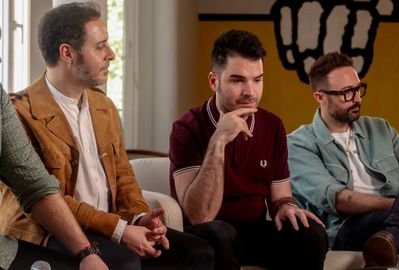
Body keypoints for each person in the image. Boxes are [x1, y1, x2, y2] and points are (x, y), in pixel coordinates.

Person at [0, 2, 213, 270]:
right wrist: (120, 230)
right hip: (49, 231)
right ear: (67, 52)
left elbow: (124, 177)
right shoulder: (20, 112)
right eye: (100, 46)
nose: (111, 54)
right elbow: (47, 198)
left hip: (107, 227)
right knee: (125, 262)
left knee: (197, 251)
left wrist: (139, 218)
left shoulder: (104, 107)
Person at [169, 29, 329, 270]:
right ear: (214, 81)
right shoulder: (186, 128)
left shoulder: (272, 126)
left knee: (310, 233)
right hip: (206, 233)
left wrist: (286, 206)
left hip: (252, 231)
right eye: (238, 80)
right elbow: (199, 215)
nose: (251, 92)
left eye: (257, 79)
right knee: (220, 234)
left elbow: (280, 196)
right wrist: (219, 141)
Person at [287, 52, 399, 267]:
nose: (357, 98)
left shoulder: (380, 128)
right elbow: (337, 199)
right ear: (320, 97)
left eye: (358, 89)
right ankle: (395, 233)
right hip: (347, 229)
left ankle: (390, 238)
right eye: (347, 93)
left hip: (392, 221)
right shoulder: (298, 143)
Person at [0, 25, 107, 270]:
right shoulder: (24, 108)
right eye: (99, 46)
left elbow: (35, 184)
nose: (0, 58)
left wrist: (87, 253)